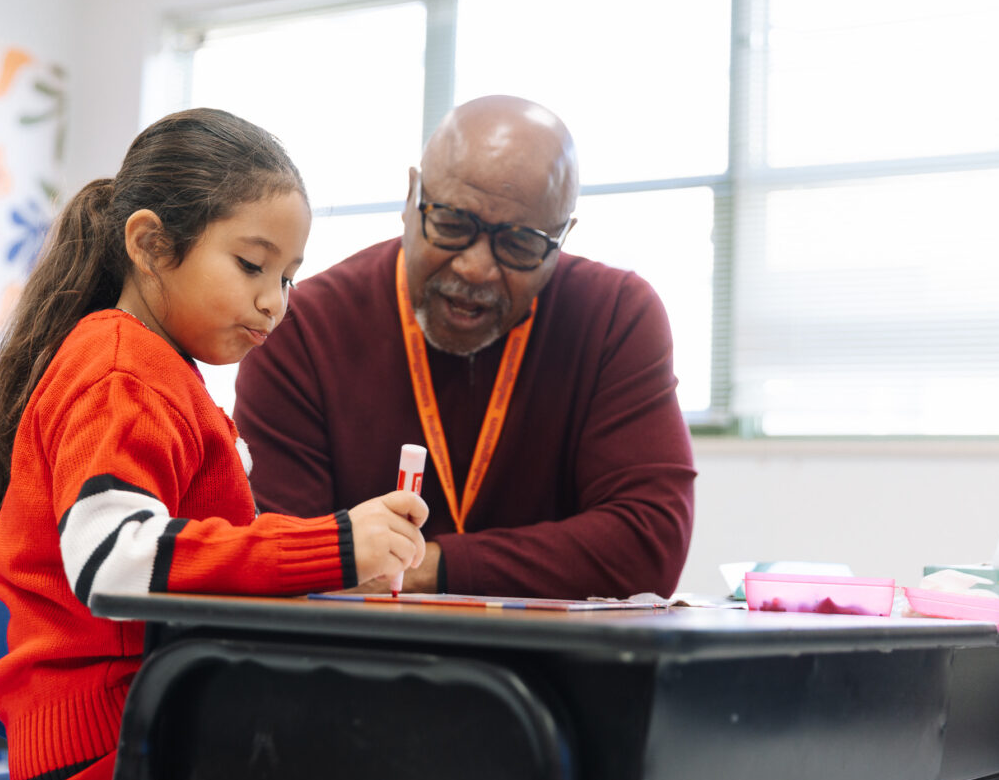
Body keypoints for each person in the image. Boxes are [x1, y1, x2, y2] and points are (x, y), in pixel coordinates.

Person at [0, 108, 428, 780]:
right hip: (112, 749)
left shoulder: (159, 373)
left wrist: (338, 569)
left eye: (288, 277)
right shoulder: (120, 372)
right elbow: (115, 562)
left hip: (155, 722)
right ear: (150, 244)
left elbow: (195, 568)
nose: (275, 304)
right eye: (252, 266)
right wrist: (333, 545)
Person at [233, 95, 695, 600]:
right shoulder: (303, 328)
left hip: (556, 667)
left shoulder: (614, 317)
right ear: (411, 198)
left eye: (520, 244)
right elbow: (288, 555)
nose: (475, 268)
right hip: (360, 660)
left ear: (561, 238)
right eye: (452, 224)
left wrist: (423, 565)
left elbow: (649, 545)